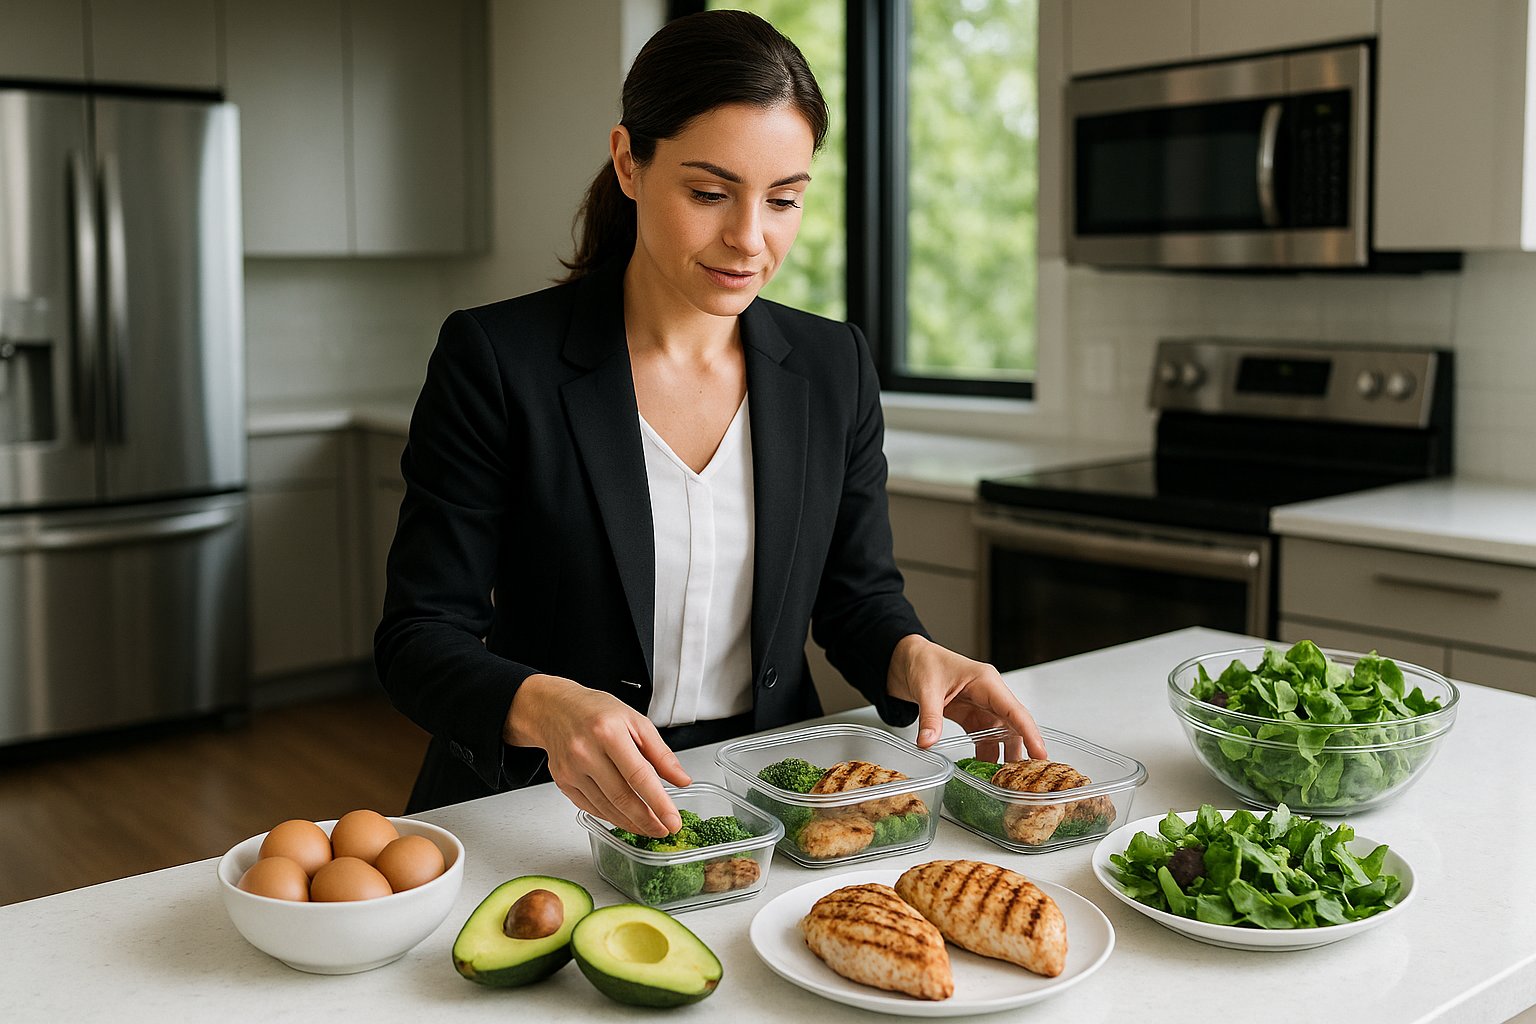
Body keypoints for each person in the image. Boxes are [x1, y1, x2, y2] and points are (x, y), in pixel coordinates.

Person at [375, 9, 1046, 837]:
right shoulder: (497, 359)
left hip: (761, 797)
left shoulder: (832, 366)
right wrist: (545, 707)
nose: (749, 240)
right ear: (629, 162)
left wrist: (913, 656)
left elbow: (857, 599)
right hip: (543, 798)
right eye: (708, 193)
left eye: (783, 200)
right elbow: (418, 638)